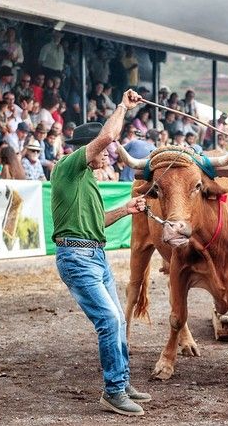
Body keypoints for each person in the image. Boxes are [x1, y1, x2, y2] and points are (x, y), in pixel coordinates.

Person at [51, 89, 150, 416]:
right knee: (110, 320)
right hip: (77, 259)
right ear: (86, 149)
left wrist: (125, 210)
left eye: (110, 148)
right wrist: (123, 106)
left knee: (117, 319)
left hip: (92, 254)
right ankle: (113, 391)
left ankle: (120, 382)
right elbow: (109, 133)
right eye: (105, 147)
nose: (111, 150)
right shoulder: (68, 165)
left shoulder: (86, 180)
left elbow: (95, 223)